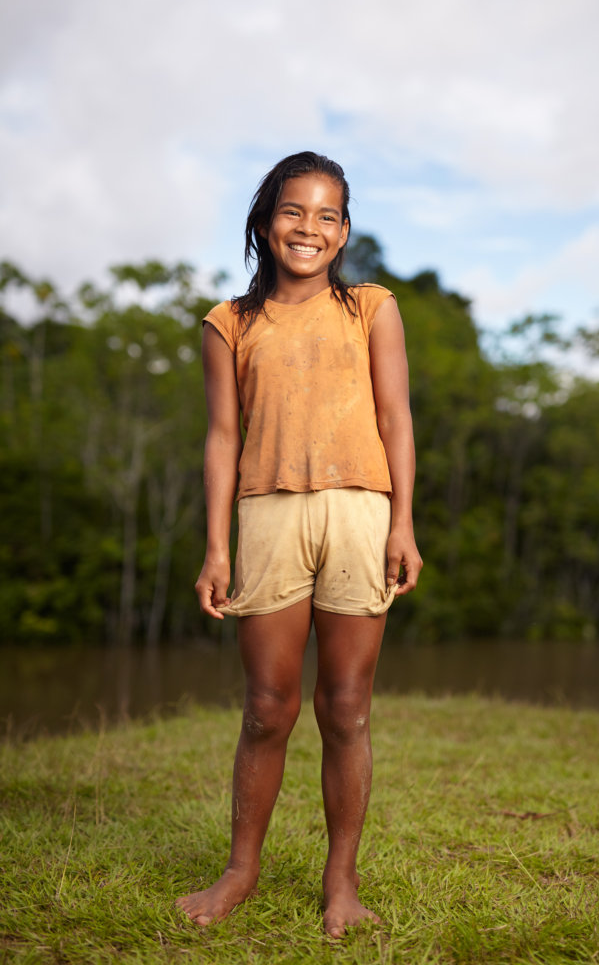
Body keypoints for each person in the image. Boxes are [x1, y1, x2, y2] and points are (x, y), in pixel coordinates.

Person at [176, 152, 422, 939]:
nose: (307, 228)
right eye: (293, 211)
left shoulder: (371, 308)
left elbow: (396, 420)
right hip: (269, 515)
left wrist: (403, 523)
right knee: (266, 708)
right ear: (264, 220)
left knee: (346, 708)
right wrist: (217, 547)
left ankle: (340, 883)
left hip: (359, 511)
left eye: (326, 215)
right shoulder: (231, 323)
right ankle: (240, 871)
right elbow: (221, 439)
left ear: (344, 230)